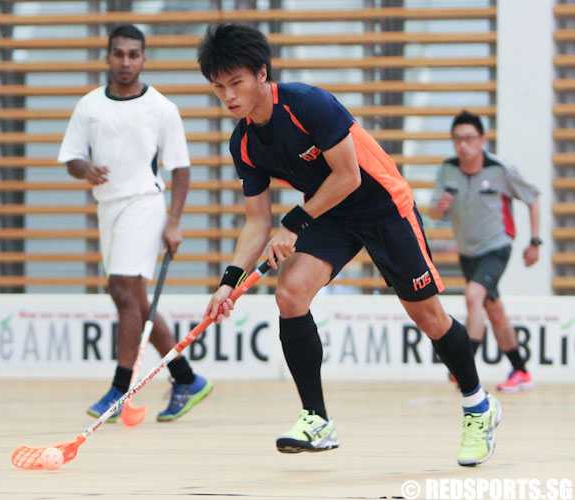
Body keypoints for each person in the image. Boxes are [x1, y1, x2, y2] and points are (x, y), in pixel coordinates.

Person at [197, 23, 500, 467]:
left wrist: (296, 223)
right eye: (219, 87)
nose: (229, 96)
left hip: (382, 206)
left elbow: (349, 176)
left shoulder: (308, 104)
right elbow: (256, 222)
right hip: (330, 215)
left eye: (236, 82)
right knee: (290, 293)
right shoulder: (243, 142)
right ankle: (317, 419)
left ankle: (479, 407)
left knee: (430, 318)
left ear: (262, 73)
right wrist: (229, 281)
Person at [58, 24, 212, 422]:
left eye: (133, 54)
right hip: (107, 207)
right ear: (108, 57)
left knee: (124, 293)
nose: (126, 61)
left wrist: (174, 221)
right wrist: (85, 170)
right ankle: (186, 378)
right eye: (119, 54)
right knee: (136, 301)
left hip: (145, 204)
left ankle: (120, 387)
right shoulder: (89, 106)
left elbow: (180, 169)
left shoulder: (161, 108)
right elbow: (73, 157)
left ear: (143, 59)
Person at [430, 110, 540, 392]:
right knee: (495, 311)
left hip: (497, 247)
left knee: (473, 296)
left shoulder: (499, 170)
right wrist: (439, 207)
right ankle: (521, 371)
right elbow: (433, 212)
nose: (462, 145)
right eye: (456, 139)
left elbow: (533, 197)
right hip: (468, 253)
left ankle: (463, 366)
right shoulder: (447, 169)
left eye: (469, 138)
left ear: (482, 139)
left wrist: (535, 242)